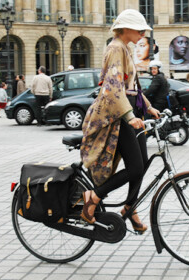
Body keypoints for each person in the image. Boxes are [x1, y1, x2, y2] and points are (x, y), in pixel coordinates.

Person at [79, 9, 160, 233]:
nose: (143, 32)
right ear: (125, 28)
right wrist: (130, 117)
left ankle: (129, 207)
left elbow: (130, 86)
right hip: (119, 115)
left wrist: (148, 106)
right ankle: (92, 197)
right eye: (139, 28)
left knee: (141, 165)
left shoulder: (124, 48)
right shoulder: (115, 48)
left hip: (130, 111)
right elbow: (113, 87)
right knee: (135, 168)